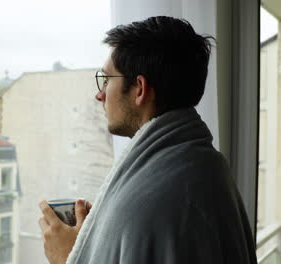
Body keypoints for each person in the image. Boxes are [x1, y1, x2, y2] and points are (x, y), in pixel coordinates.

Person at [38, 16, 258, 264]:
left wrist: (67, 257)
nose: (100, 95)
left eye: (107, 80)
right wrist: (100, 233)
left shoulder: (148, 204)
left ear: (140, 89)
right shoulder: (206, 166)